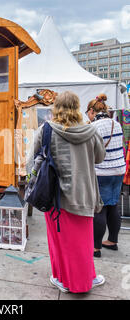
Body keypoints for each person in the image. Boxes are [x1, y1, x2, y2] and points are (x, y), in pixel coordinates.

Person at [32, 91, 106, 293]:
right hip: (84, 193)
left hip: (56, 196)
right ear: (77, 107)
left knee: (60, 241)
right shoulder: (91, 131)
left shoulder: (45, 130)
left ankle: (62, 279)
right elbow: (99, 157)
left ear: (56, 107)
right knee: (83, 241)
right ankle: (88, 277)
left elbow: (32, 158)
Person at [86, 94, 126, 258]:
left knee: (99, 208)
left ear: (91, 111)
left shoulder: (93, 127)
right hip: (119, 170)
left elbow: (90, 151)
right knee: (113, 205)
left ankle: (96, 247)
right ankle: (112, 240)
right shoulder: (116, 124)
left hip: (102, 171)